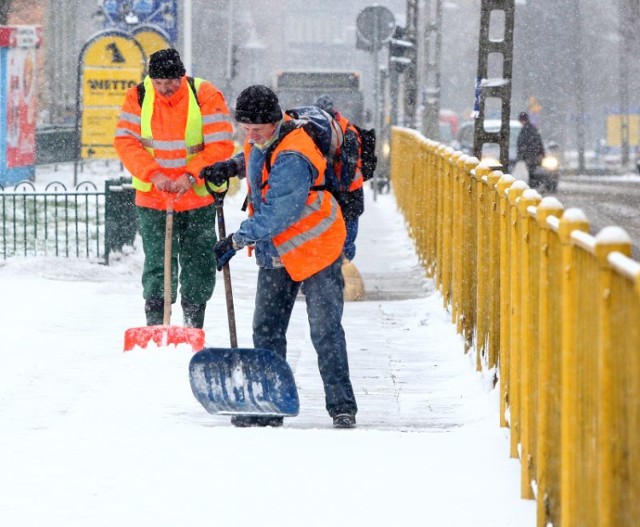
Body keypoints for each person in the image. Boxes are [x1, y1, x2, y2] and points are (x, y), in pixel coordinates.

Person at [201, 85, 358, 429]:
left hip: (317, 246)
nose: (251, 135)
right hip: (278, 251)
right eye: (245, 129)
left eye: (258, 129)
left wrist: (236, 239)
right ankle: (270, 402)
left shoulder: (295, 154)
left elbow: (279, 212)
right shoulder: (264, 139)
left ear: (276, 121)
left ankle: (342, 406)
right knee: (267, 328)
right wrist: (231, 167)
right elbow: (256, 156)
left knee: (325, 330)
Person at [114, 48, 234, 329]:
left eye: (171, 82)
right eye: (159, 83)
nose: (165, 89)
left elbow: (221, 144)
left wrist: (192, 176)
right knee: (158, 263)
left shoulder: (204, 94)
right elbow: (126, 142)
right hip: (153, 198)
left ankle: (193, 323)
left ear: (182, 76)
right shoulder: (138, 97)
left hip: (197, 197)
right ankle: (157, 323)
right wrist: (153, 174)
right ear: (150, 79)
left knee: (199, 264)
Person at [313, 94, 364, 262]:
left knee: (344, 238)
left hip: (347, 193)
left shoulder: (345, 132)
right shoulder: (343, 128)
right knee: (340, 237)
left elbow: (349, 165)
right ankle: (339, 270)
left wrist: (340, 188)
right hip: (340, 192)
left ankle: (342, 271)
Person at [516, 111, 545, 188]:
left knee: (532, 172)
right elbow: (539, 142)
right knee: (533, 171)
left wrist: (521, 155)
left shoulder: (526, 130)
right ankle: (535, 185)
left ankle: (533, 186)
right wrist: (542, 154)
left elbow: (522, 143)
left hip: (530, 155)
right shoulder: (531, 129)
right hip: (533, 155)